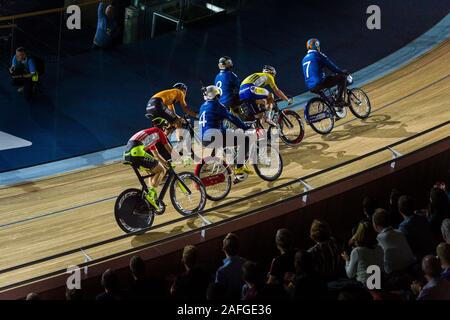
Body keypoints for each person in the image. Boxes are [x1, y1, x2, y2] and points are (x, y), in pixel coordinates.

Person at [198, 85, 253, 176]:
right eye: (218, 96)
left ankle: (232, 167)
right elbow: (233, 118)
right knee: (245, 139)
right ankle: (239, 167)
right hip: (214, 136)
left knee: (227, 141)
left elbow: (216, 123)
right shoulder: (217, 105)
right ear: (217, 96)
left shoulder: (202, 107)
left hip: (204, 138)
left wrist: (227, 131)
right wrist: (246, 127)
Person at [123, 126, 173, 210]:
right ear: (163, 129)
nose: (167, 134)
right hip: (136, 150)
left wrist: (167, 164)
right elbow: (168, 148)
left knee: (152, 171)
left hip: (129, 154)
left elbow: (156, 156)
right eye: (168, 131)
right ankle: (150, 194)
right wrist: (181, 158)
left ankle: (149, 195)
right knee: (161, 170)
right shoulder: (158, 131)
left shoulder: (151, 138)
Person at [301, 38, 348, 107]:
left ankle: (332, 109)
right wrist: (341, 72)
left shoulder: (304, 59)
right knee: (342, 77)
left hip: (310, 86)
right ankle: (339, 101)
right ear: (317, 46)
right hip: (319, 83)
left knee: (325, 96)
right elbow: (331, 66)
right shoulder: (318, 54)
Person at [372, 209, 416, 274]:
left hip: (395, 275)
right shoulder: (400, 232)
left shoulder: (379, 239)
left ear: (375, 225)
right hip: (411, 269)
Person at [397, 195, 435, 260]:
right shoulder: (423, 218)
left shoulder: (403, 227)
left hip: (419, 259)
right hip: (432, 253)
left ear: (400, 210)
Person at [215, 233, 247, 300]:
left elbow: (218, 294)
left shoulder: (221, 271)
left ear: (224, 249)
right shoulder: (246, 263)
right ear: (238, 247)